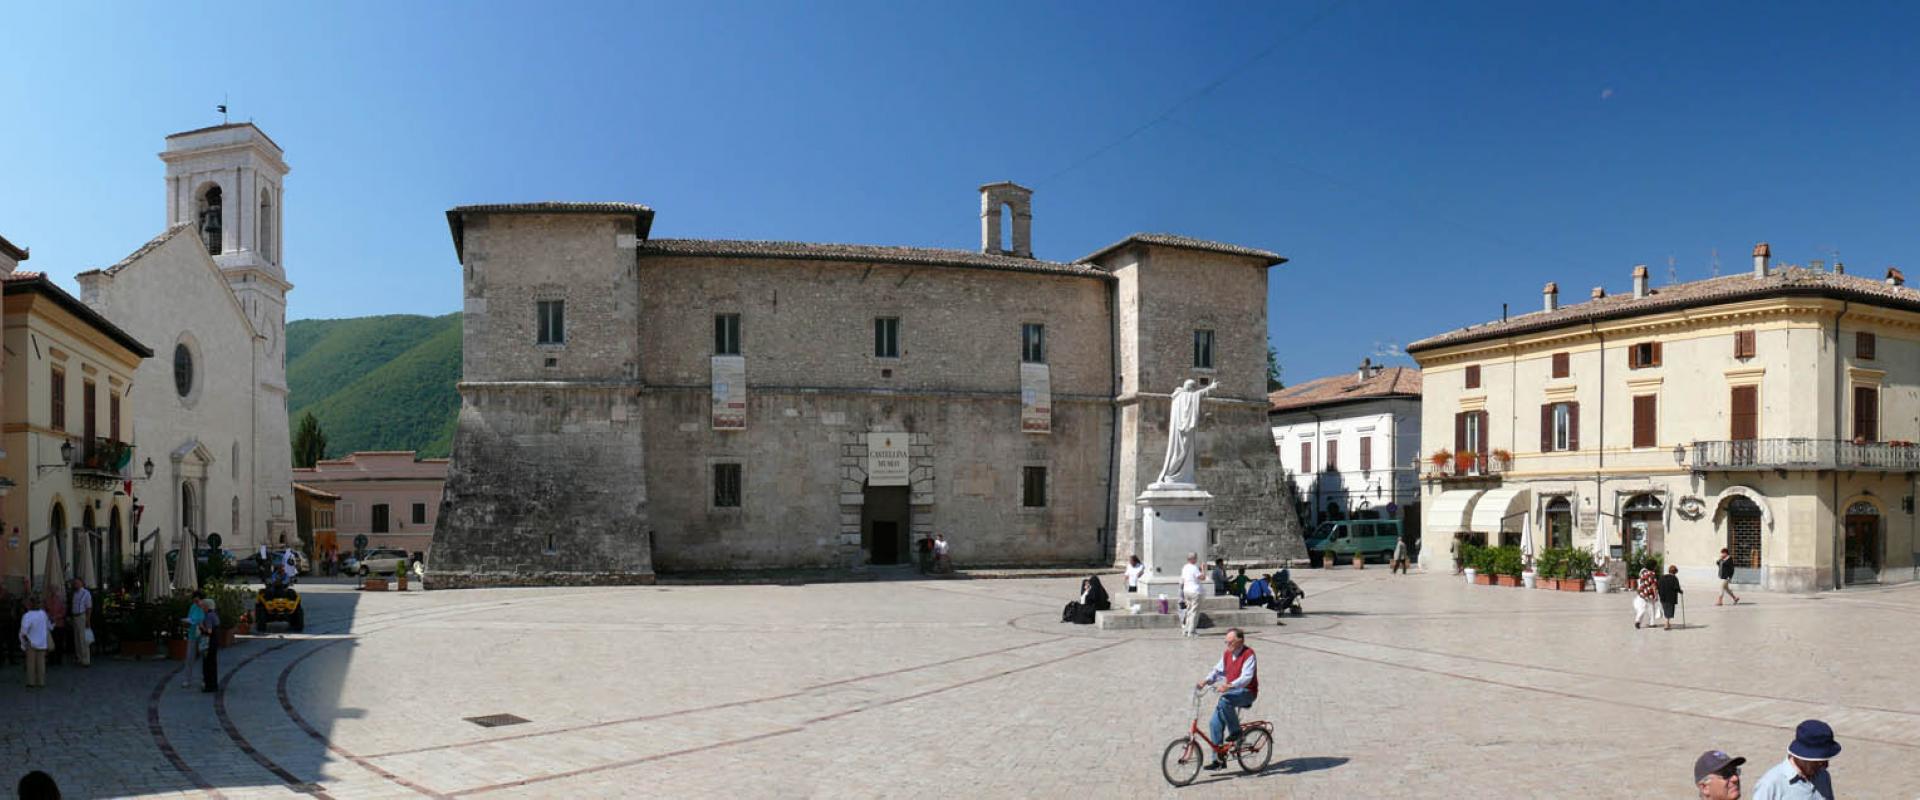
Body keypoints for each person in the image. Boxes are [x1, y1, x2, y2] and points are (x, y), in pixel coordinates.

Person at [1193, 627, 1257, 771]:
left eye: (1230, 642)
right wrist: (1206, 681)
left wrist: (1229, 686)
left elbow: (1246, 678)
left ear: (1240, 641)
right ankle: (1218, 760)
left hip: (1247, 692)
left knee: (1224, 700)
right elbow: (1217, 671)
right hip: (1232, 692)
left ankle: (1236, 731)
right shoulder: (1227, 654)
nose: (1228, 645)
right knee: (1214, 723)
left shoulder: (1249, 654)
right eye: (1226, 642)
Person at [1750, 719, 1839, 799]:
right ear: (1801, 755)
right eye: (1818, 762)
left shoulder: (1823, 776)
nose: (1825, 766)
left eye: (1826, 760)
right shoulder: (1770, 785)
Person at [18, 595, 50, 689]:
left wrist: (23, 643)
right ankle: (41, 682)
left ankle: (31, 682)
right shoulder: (43, 614)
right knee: (41, 663)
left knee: (31, 664)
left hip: (30, 642)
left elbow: (23, 631)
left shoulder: (27, 616)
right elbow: (48, 625)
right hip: (42, 642)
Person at [180, 590, 206, 688]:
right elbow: (190, 617)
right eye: (194, 601)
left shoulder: (205, 608)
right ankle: (187, 679)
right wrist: (187, 621)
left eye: (197, 600)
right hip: (192, 634)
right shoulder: (193, 607)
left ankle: (204, 679)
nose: (196, 602)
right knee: (189, 657)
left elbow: (206, 620)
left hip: (202, 635)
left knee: (204, 658)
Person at [198, 597, 221, 693]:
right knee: (212, 663)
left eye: (203, 606)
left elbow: (209, 631)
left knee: (208, 663)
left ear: (207, 607)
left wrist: (201, 626)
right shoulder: (214, 615)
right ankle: (213, 684)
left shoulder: (208, 616)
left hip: (209, 642)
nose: (202, 608)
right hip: (215, 641)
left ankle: (209, 685)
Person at [66, 578, 91, 668]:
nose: (75, 584)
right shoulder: (75, 594)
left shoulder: (86, 593)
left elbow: (88, 607)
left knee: (83, 639)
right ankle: (79, 658)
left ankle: (86, 659)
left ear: (81, 583)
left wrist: (88, 620)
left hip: (81, 616)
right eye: (74, 583)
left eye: (77, 583)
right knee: (77, 639)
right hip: (75, 617)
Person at [1180, 553, 1204, 637]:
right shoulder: (1194, 568)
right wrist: (1203, 570)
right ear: (1193, 559)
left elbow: (1182, 580)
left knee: (1189, 611)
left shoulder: (1185, 567)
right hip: (1195, 591)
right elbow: (1202, 577)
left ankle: (1186, 630)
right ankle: (1192, 631)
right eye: (1196, 558)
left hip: (1186, 590)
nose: (1196, 559)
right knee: (1194, 612)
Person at [1657, 565, 1684, 630]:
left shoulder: (1662, 577)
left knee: (1666, 610)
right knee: (1669, 611)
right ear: (1675, 572)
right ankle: (1666, 624)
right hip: (1670, 598)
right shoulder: (1674, 578)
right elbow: (1676, 588)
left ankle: (1668, 623)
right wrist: (1681, 591)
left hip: (1663, 597)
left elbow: (1658, 586)